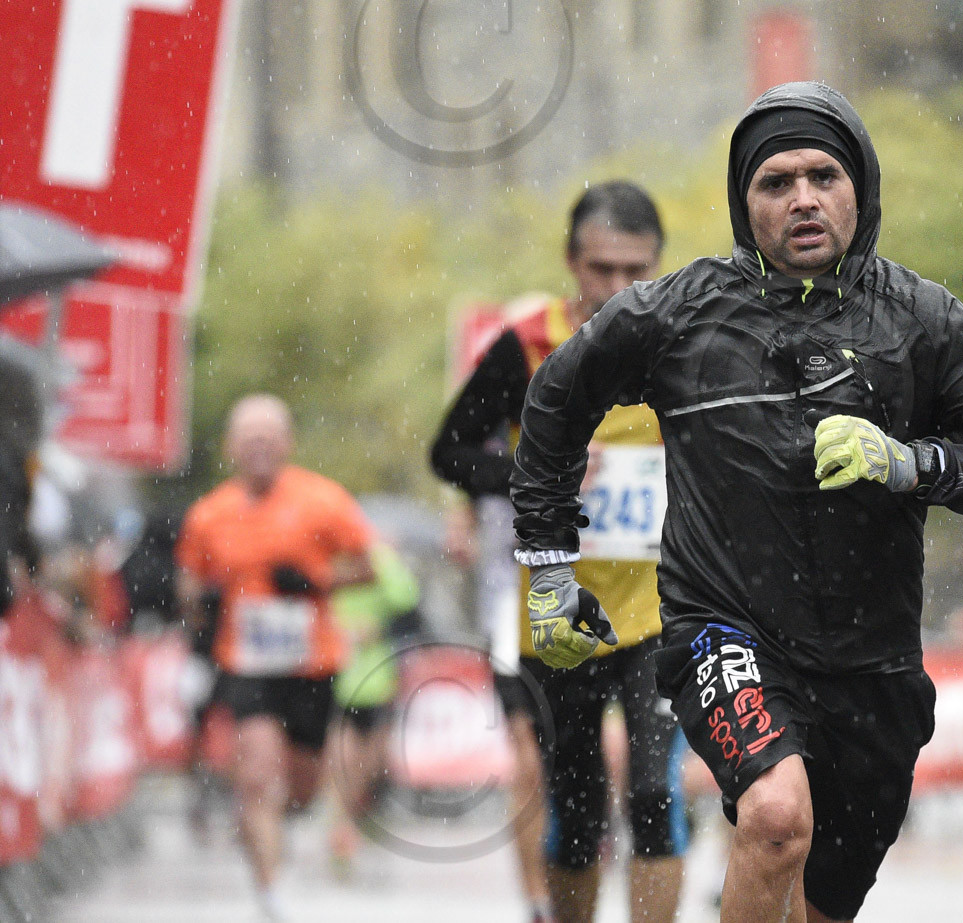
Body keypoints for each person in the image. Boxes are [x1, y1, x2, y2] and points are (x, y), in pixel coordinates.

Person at [508, 81, 963, 923]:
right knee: (772, 819)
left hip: (873, 664)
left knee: (817, 903)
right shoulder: (679, 313)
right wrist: (550, 565)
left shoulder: (922, 319)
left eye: (823, 176)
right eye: (776, 182)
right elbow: (555, 398)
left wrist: (910, 462)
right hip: (724, 628)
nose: (803, 198)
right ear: (745, 201)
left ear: (859, 189)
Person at [429, 181, 685, 923]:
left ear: (658, 265)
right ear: (572, 262)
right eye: (602, 268)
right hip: (557, 607)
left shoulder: (680, 342)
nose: (618, 286)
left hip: (661, 610)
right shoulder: (525, 346)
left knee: (654, 794)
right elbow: (448, 452)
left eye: (636, 270)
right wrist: (531, 473)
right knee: (577, 811)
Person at [176, 394, 376, 922]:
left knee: (302, 786)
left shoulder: (323, 500)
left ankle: (277, 824)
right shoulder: (209, 513)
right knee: (258, 774)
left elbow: (368, 567)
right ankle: (272, 894)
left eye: (268, 436)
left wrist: (317, 581)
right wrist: (203, 600)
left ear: (287, 444)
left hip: (311, 662)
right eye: (249, 437)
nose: (259, 446)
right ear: (231, 447)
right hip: (244, 662)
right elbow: (188, 582)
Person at [326, 541, 423, 879]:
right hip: (338, 680)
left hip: (378, 681)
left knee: (370, 765)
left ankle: (352, 820)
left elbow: (407, 598)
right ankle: (341, 831)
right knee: (343, 763)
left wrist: (381, 560)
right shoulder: (328, 559)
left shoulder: (377, 558)